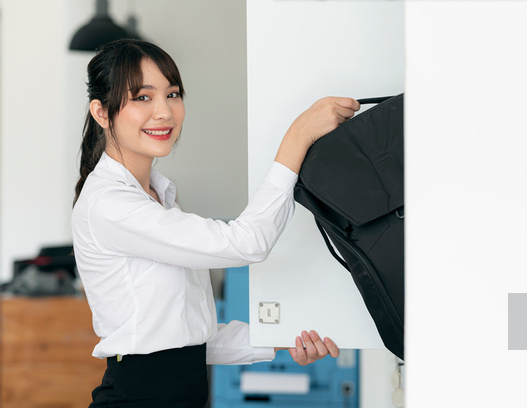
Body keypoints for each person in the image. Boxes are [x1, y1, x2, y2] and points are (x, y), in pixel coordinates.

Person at [71, 39, 360, 408]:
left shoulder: (159, 198)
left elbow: (193, 338)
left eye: (173, 94)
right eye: (142, 97)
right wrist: (299, 135)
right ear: (101, 112)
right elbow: (246, 243)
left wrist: (283, 337)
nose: (164, 112)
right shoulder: (109, 204)